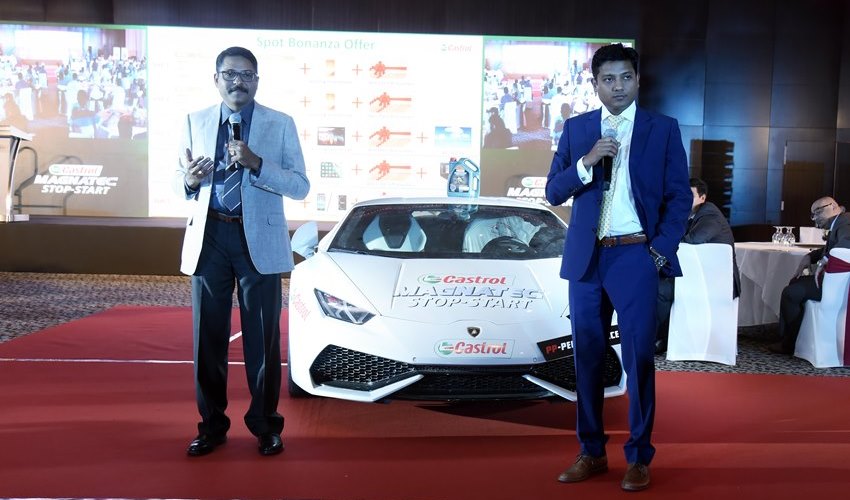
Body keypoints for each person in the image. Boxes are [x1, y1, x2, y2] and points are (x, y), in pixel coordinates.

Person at [545, 43, 691, 492]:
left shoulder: (662, 129)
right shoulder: (576, 129)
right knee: (586, 359)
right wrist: (586, 163)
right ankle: (591, 452)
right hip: (587, 261)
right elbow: (553, 191)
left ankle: (639, 457)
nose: (618, 86)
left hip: (635, 257)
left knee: (638, 359)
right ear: (595, 85)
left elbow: (679, 197)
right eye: (608, 79)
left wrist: (658, 253)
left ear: (638, 80)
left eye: (626, 77)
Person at [174, 46, 310, 457]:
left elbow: (300, 185)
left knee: (263, 340)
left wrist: (256, 162)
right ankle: (211, 426)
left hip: (259, 241)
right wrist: (191, 181)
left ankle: (266, 426)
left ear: (257, 80)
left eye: (247, 74)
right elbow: (181, 182)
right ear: (216, 79)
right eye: (230, 74)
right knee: (207, 340)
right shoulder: (194, 121)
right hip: (211, 237)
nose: (239, 81)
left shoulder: (279, 124)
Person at [655, 177, 741, 353]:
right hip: (698, 276)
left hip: (717, 283)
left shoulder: (710, 215)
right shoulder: (691, 215)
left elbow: (692, 240)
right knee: (658, 282)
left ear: (702, 198)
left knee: (661, 290)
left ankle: (655, 338)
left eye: (690, 195)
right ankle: (663, 338)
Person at [768, 197, 850, 355]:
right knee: (794, 286)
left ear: (832, 207)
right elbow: (829, 248)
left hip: (839, 286)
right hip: (836, 281)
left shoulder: (845, 223)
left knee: (790, 293)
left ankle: (790, 343)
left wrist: (825, 260)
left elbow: (846, 244)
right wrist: (810, 257)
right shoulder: (839, 222)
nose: (815, 218)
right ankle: (793, 338)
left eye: (817, 213)